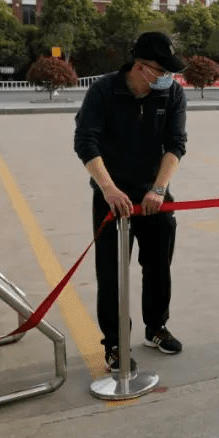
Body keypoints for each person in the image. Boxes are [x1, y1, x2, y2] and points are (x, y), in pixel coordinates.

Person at [74, 31, 188, 372]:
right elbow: (85, 142)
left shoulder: (172, 94)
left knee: (158, 266)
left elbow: (175, 145)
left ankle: (156, 327)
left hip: (153, 193)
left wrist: (159, 188)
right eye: (161, 70)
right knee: (111, 275)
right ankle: (114, 344)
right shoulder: (104, 92)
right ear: (141, 67)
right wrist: (108, 189)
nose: (167, 76)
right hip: (112, 196)